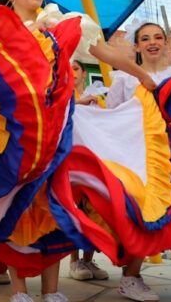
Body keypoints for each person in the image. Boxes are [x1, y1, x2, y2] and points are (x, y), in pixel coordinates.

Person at [0, 0, 155, 302]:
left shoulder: (62, 23)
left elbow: (105, 52)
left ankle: (52, 291)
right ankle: (19, 290)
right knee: (15, 205)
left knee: (54, 203)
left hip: (58, 128)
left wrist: (143, 76)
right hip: (16, 131)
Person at [106, 20, 171, 302]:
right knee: (149, 215)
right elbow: (113, 117)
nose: (152, 42)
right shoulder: (124, 79)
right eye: (145, 39)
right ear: (137, 46)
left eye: (157, 37)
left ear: (166, 42)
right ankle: (130, 279)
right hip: (143, 158)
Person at [67, 60, 110, 282]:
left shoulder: (98, 94)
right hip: (70, 159)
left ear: (84, 73)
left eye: (75, 68)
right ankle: (74, 261)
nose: (71, 73)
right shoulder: (62, 93)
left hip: (94, 157)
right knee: (74, 206)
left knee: (95, 206)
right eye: (68, 68)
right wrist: (79, 103)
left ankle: (88, 258)